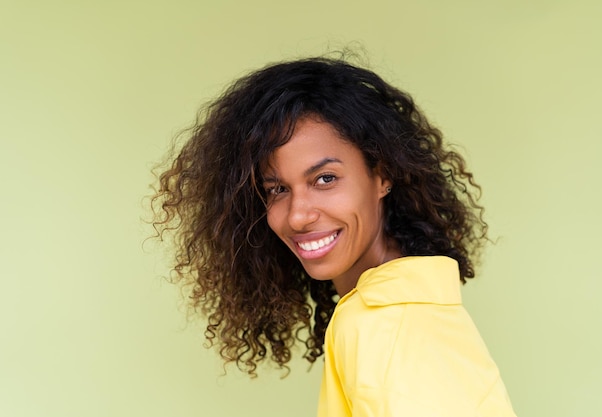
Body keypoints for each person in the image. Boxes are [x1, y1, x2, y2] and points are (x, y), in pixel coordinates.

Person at [151, 55, 517, 416]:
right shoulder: (405, 309)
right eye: (277, 189)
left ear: (383, 175)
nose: (297, 215)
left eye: (325, 179)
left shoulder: (382, 325)